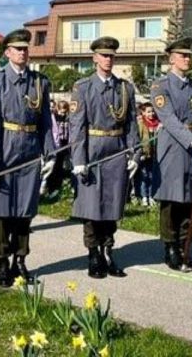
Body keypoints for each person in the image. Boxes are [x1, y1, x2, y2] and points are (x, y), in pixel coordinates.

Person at [0, 29, 55, 286]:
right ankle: (2, 262)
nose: (23, 53)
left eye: (25, 48)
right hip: (5, 147)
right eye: (17, 49)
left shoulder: (39, 82)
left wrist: (50, 153)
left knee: (24, 211)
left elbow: (45, 121)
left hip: (30, 149)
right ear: (8, 52)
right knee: (0, 211)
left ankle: (20, 261)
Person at [70, 36, 140, 279]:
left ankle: (108, 251)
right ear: (94, 58)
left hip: (117, 149)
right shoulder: (83, 87)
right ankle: (93, 254)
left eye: (111, 56)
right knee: (91, 207)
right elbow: (77, 126)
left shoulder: (124, 88)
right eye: (103, 55)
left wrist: (135, 153)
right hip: (92, 149)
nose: (107, 60)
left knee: (112, 205)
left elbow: (132, 124)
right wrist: (78, 159)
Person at [149, 38, 192, 270]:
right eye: (182, 55)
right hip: (174, 146)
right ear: (171, 58)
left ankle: (185, 246)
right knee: (171, 199)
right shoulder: (161, 85)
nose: (187, 59)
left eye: (188, 55)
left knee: (188, 198)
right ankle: (170, 247)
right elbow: (169, 119)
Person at [135, 102, 159, 207]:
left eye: (153, 111)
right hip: (145, 155)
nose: (151, 113)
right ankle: (144, 196)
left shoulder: (157, 124)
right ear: (143, 113)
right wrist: (140, 153)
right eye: (149, 112)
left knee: (152, 176)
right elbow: (139, 139)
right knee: (144, 176)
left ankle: (151, 196)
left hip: (154, 155)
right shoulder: (141, 124)